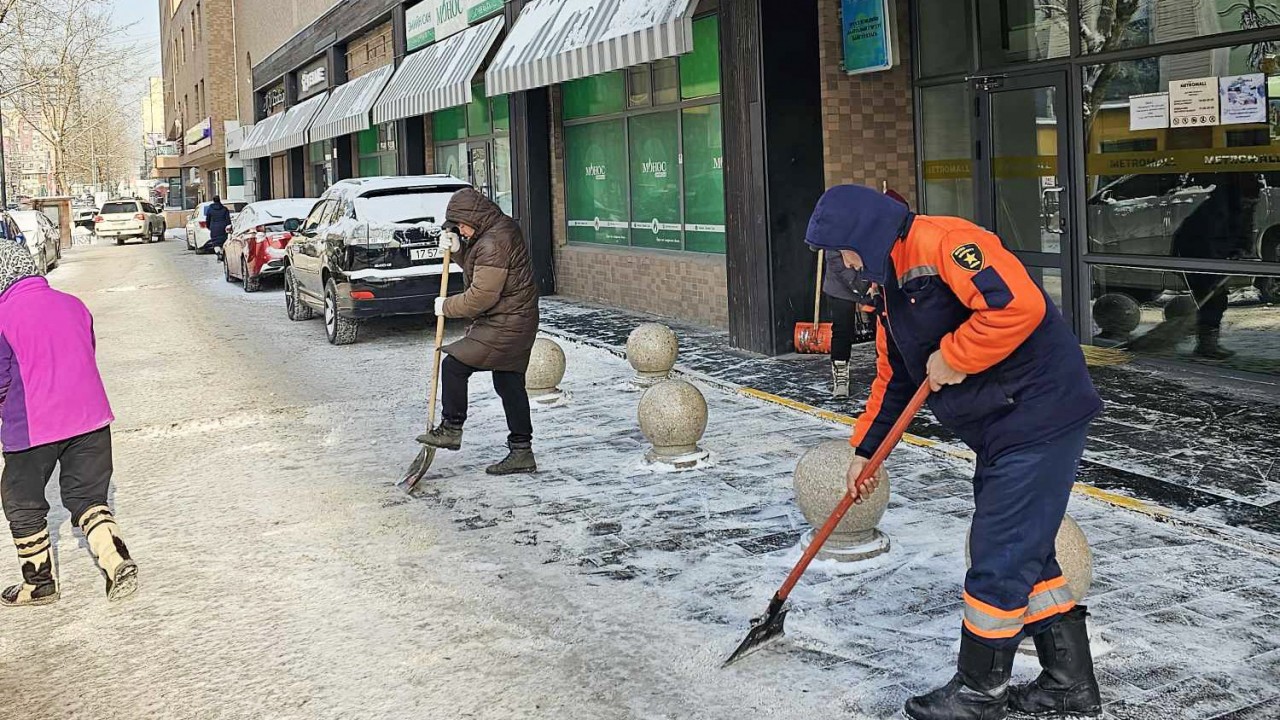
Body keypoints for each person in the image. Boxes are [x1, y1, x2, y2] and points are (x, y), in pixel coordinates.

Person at [805, 185, 1103, 720]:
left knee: (1000, 550)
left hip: (1038, 413)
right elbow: (894, 379)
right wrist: (865, 452)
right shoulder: (891, 292)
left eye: (846, 251)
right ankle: (1068, 684)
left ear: (867, 234)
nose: (847, 266)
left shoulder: (946, 244)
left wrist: (956, 356)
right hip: (999, 426)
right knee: (1024, 550)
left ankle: (977, 693)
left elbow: (1017, 306)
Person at [0, 241, 138, 606]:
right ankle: (116, 559)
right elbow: (85, 350)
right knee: (88, 497)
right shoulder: (73, 304)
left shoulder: (3, 316)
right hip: (91, 418)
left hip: (34, 426)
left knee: (22, 501)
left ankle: (39, 583)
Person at [418, 189, 540, 476]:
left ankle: (451, 428)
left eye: (460, 225)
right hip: (515, 318)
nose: (460, 231)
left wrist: (446, 306)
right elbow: (481, 267)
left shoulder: (495, 240)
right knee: (509, 383)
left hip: (508, 321)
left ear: (472, 217)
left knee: (454, 366)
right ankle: (522, 451)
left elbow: (482, 295)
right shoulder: (495, 230)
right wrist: (459, 251)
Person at [824, 189, 904, 397]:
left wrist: (873, 283)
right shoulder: (838, 230)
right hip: (842, 284)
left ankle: (886, 373)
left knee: (881, 325)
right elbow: (838, 264)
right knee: (843, 328)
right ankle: (840, 374)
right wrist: (861, 286)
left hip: (871, 281)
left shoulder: (875, 226)